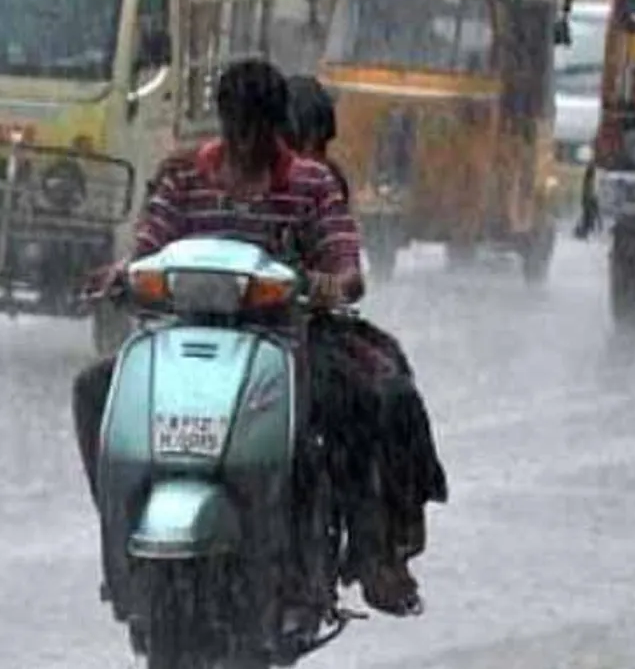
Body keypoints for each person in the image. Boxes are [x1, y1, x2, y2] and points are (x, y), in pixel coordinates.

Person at [70, 58, 421, 616]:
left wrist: (330, 283)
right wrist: (120, 275)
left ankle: (347, 554)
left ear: (275, 127)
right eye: (236, 126)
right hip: (183, 341)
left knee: (336, 418)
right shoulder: (185, 176)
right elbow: (149, 245)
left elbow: (343, 263)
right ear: (223, 121)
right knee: (94, 392)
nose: (245, 143)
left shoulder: (310, 185)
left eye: (257, 128)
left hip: (281, 346)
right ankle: (122, 536)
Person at [284, 74, 448, 603]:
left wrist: (325, 284)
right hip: (231, 333)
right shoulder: (213, 177)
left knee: (386, 389)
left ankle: (380, 544)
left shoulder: (321, 184)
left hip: (307, 330)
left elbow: (343, 264)